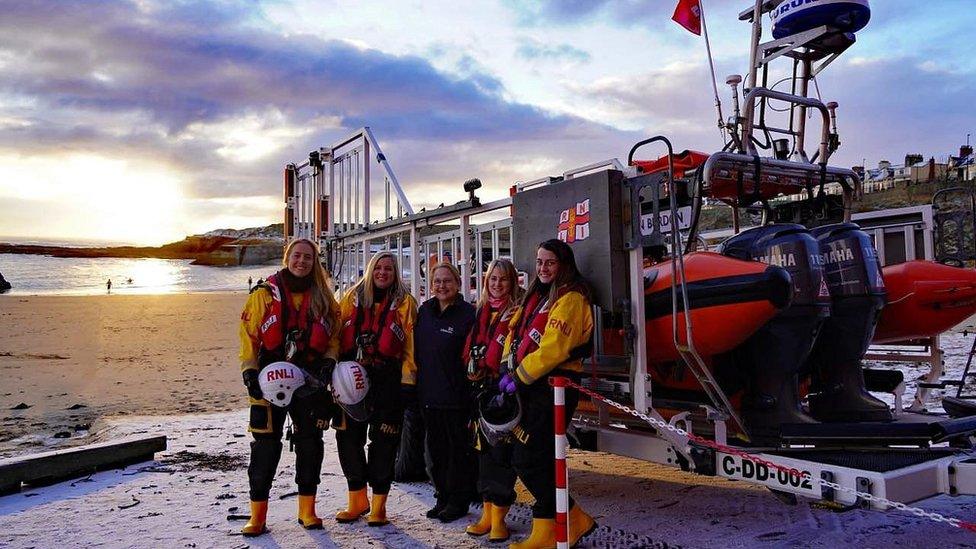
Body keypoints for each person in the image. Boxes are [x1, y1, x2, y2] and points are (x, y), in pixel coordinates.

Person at [237, 238, 340, 536]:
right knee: (265, 446)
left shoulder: (323, 297)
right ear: (287, 258)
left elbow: (333, 335)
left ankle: (307, 510)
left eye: (308, 257)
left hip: (309, 380)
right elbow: (248, 336)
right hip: (269, 379)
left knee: (310, 443)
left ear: (314, 262)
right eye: (297, 256)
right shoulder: (264, 295)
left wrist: (330, 360)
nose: (302, 262)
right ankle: (257, 515)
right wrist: (249, 372)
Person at [500, 239, 597, 549]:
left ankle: (571, 518)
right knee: (533, 457)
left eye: (550, 263)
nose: (542, 268)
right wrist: (506, 372)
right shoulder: (537, 296)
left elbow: (555, 349)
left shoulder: (570, 299)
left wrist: (518, 377)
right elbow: (514, 334)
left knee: (530, 458)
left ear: (563, 265)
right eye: (539, 262)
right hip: (532, 386)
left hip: (553, 386)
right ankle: (548, 529)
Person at [334, 251, 418, 527]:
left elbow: (410, 349)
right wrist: (331, 373)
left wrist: (408, 383)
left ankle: (379, 506)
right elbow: (336, 338)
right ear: (371, 270)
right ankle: (357, 499)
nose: (383, 273)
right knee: (348, 441)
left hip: (388, 381)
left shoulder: (406, 304)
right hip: (351, 378)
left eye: (389, 269)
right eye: (379, 268)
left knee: (384, 444)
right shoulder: (350, 299)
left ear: (395, 274)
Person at [462, 258, 523, 542]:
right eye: (493, 279)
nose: (497, 285)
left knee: (501, 455)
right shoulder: (481, 312)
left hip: (503, 392)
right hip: (481, 391)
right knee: (483, 453)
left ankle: (500, 516)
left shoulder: (518, 314)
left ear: (513, 282)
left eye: (503, 279)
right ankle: (487, 513)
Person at [414, 262, 477, 522]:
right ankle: (442, 496)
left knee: (457, 453)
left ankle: (458, 501)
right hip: (429, 395)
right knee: (435, 452)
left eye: (447, 281)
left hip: (457, 397)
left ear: (458, 283)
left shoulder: (467, 314)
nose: (442, 286)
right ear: (431, 285)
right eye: (437, 281)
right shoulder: (425, 311)